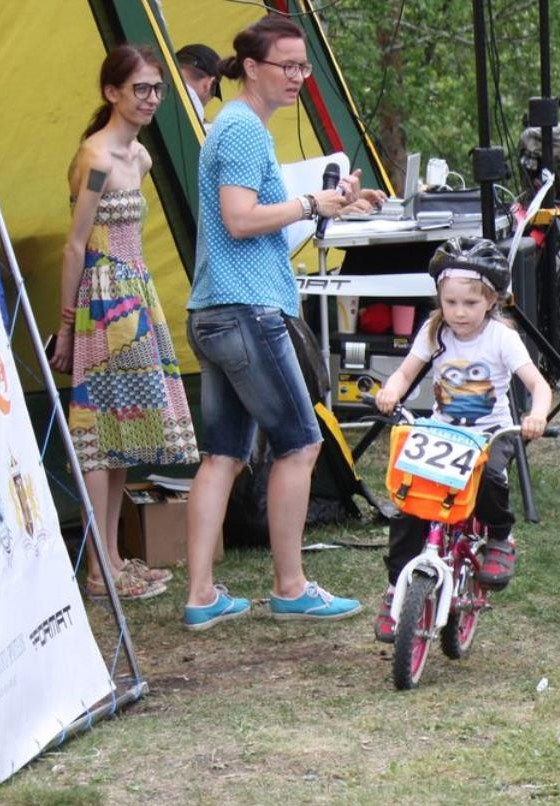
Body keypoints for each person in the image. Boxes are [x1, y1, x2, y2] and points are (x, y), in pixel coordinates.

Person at [179, 15, 364, 629]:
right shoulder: (241, 129)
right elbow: (239, 218)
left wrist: (333, 201)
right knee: (301, 443)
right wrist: (313, 204)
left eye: (304, 67)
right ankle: (291, 585)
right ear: (252, 68)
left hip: (214, 309)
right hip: (245, 313)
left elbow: (253, 220)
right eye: (288, 66)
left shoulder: (233, 126)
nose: (299, 78)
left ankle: (201, 595)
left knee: (224, 454)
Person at [49, 45, 199, 602]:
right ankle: (97, 568)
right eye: (141, 88)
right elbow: (74, 246)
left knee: (118, 435)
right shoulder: (95, 159)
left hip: (136, 295)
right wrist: (66, 327)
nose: (151, 99)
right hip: (103, 301)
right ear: (112, 92)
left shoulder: (139, 158)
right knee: (97, 436)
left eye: (157, 89)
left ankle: (113, 558)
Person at [368, 238, 550, 641]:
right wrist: (392, 390)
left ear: (491, 300)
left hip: (490, 433)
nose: (459, 312)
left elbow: (538, 385)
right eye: (450, 302)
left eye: (470, 303)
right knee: (409, 503)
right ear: (439, 300)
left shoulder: (502, 338)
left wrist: (536, 415)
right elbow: (406, 372)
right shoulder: (434, 332)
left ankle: (500, 536)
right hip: (443, 432)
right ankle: (397, 587)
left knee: (488, 480)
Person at [173, 43, 221, 128]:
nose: (210, 99)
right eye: (213, 92)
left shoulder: (149, 102)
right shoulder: (212, 134)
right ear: (209, 84)